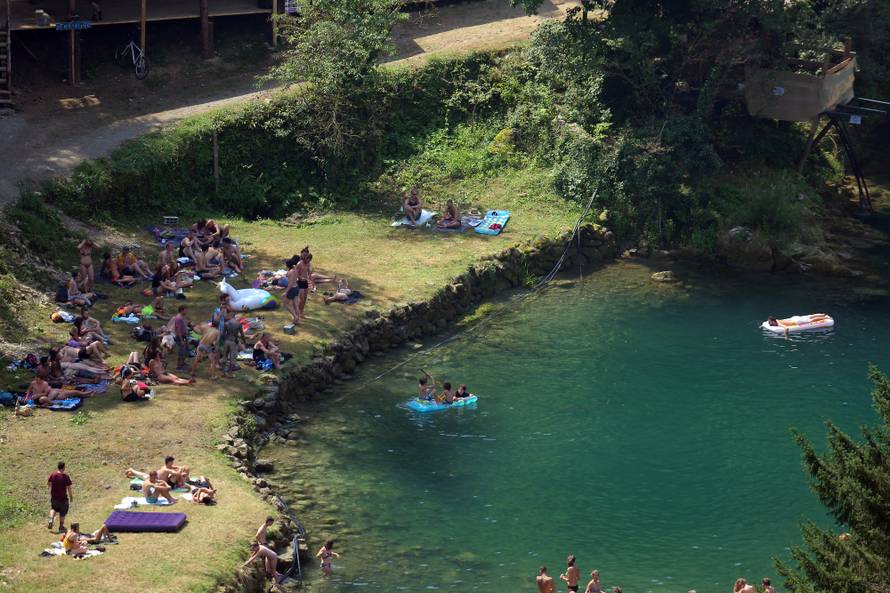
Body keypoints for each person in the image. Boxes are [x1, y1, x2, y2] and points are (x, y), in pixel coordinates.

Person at [48, 461, 73, 533]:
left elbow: (49, 483)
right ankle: (61, 527)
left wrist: (52, 487)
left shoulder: (53, 475)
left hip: (54, 497)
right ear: (64, 467)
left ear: (58, 467)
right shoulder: (65, 476)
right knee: (63, 512)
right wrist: (71, 496)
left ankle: (51, 519)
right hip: (63, 499)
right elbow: (69, 488)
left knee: (53, 508)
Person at [283, 260, 302, 325]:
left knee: (285, 304)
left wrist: (286, 292)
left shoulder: (290, 272)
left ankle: (295, 317)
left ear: (287, 265)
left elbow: (290, 284)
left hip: (292, 289)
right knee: (296, 305)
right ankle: (298, 320)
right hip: (297, 287)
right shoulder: (295, 270)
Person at [173, 305, 190, 371]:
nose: (187, 311)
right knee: (181, 352)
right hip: (181, 337)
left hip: (184, 337)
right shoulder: (178, 318)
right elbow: (178, 329)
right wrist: (181, 340)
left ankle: (183, 364)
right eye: (186, 310)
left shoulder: (182, 317)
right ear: (182, 310)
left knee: (184, 352)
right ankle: (179, 367)